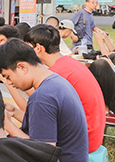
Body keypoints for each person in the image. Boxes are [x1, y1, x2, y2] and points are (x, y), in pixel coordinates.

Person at [0, 39, 89, 162]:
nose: (9, 83)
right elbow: (46, 127)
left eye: (8, 77)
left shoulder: (42, 98)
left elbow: (42, 154)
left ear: (22, 67)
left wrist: (7, 124)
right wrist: (15, 113)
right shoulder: (55, 82)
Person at [24, 24, 106, 153]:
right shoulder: (70, 63)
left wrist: (9, 82)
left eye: (27, 48)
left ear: (38, 48)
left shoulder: (55, 75)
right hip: (94, 133)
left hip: (82, 140)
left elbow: (36, 110)